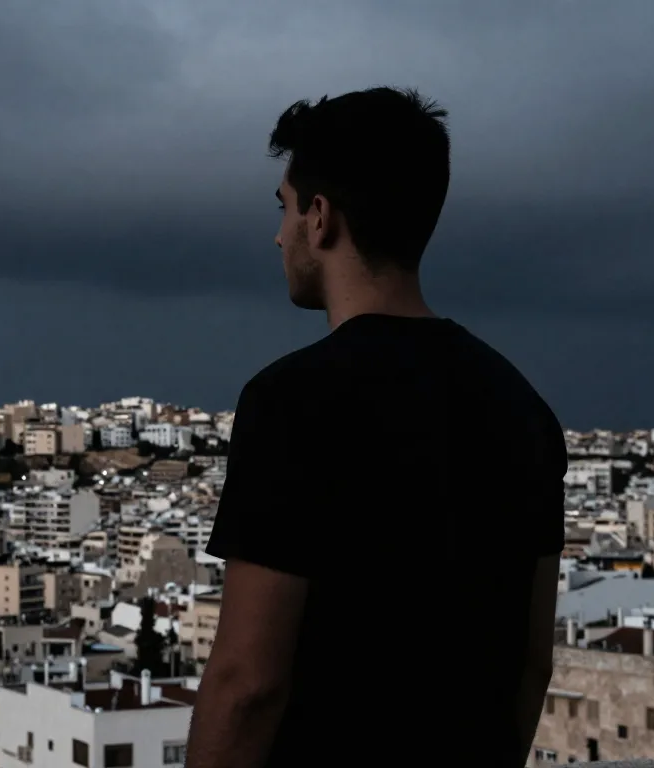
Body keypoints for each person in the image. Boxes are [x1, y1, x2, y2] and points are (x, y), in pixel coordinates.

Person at [184, 87, 567, 767]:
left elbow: (248, 684)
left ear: (320, 219)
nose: (279, 234)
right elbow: (532, 664)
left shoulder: (291, 402)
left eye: (285, 207)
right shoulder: (524, 407)